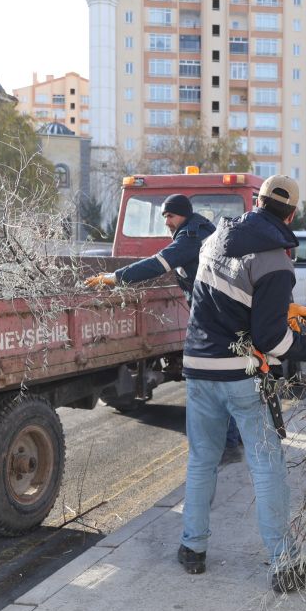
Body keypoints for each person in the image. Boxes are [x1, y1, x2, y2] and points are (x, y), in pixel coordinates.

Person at [178, 174, 306, 593]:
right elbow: (271, 340)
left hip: (197, 365)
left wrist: (284, 306)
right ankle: (284, 563)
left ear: (257, 202)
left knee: (202, 459)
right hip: (238, 375)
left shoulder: (216, 236)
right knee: (267, 465)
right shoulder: (275, 258)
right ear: (291, 214)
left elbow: (225, 298)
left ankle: (192, 549)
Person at [84, 193, 244, 461]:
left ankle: (227, 447)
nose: (166, 221)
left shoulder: (191, 237)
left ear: (183, 214)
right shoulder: (202, 231)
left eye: (170, 215)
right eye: (164, 217)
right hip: (223, 315)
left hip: (217, 319)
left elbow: (158, 264)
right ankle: (232, 440)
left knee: (214, 383)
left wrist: (115, 278)